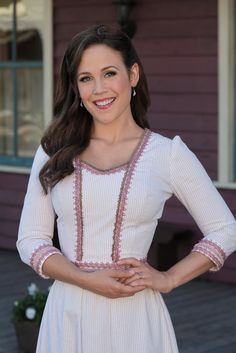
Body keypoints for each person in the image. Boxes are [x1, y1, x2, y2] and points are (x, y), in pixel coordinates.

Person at [17, 24, 236, 353]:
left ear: (133, 75)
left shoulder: (167, 154)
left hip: (137, 319)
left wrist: (169, 278)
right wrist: (86, 279)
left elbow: (225, 229)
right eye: (85, 78)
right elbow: (30, 239)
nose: (99, 89)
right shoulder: (53, 150)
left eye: (109, 73)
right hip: (69, 316)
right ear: (76, 87)